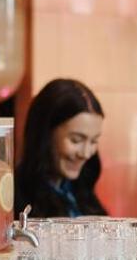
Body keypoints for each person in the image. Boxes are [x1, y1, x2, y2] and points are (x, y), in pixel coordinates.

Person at [15, 79, 108, 219]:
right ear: (45, 134)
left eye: (94, 141)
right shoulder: (15, 197)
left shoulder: (80, 191)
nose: (86, 153)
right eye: (76, 140)